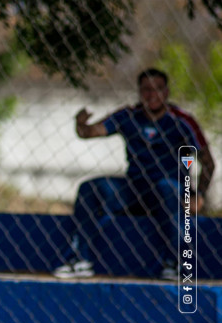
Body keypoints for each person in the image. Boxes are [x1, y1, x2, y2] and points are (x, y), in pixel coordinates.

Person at [54, 68, 215, 279]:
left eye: (158, 89)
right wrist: (80, 124)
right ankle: (78, 259)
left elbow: (208, 163)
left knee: (167, 188)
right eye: (146, 90)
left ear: (166, 93)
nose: (152, 95)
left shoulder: (182, 121)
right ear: (139, 92)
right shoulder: (128, 116)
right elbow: (90, 132)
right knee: (90, 188)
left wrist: (198, 195)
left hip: (168, 191)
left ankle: (176, 263)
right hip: (133, 189)